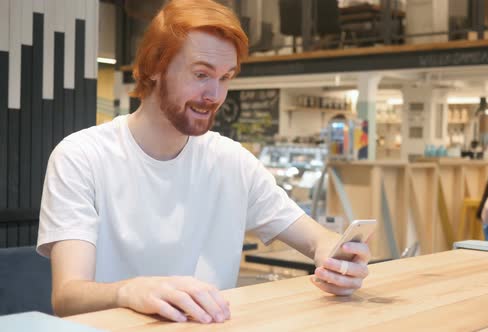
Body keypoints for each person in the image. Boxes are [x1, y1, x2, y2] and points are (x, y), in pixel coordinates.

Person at [36, 0, 371, 324]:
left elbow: (315, 239)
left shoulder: (232, 160)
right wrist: (129, 291)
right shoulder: (81, 156)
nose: (214, 95)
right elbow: (67, 297)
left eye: (225, 78)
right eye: (201, 74)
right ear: (154, 67)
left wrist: (335, 256)